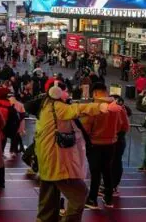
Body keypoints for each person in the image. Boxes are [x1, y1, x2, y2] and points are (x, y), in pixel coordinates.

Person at [35, 80, 123, 221]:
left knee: (48, 202)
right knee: (80, 194)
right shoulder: (58, 107)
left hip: (48, 162)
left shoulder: (45, 106)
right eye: (65, 90)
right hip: (58, 163)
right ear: (56, 92)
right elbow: (79, 109)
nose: (68, 93)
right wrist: (103, 106)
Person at [82, 83, 130, 209]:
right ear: (106, 91)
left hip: (95, 144)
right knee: (107, 170)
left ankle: (92, 199)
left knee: (95, 172)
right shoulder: (119, 107)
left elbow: (86, 128)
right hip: (111, 144)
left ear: (95, 93)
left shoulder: (93, 107)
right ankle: (108, 198)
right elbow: (125, 126)